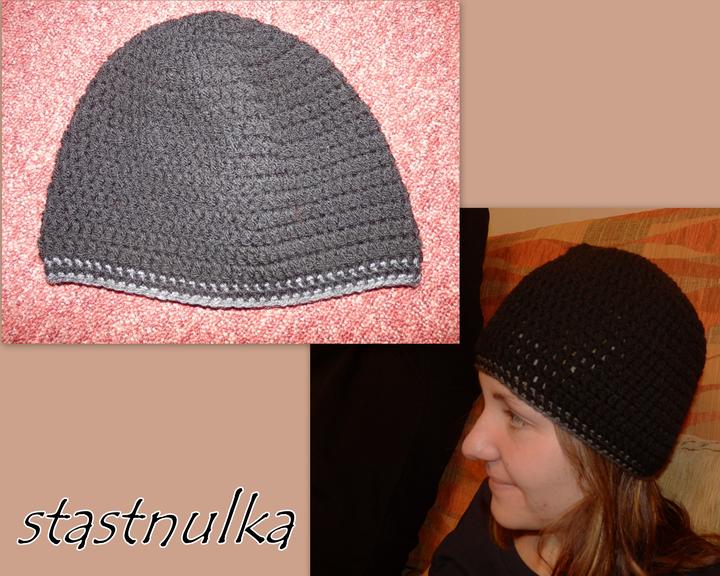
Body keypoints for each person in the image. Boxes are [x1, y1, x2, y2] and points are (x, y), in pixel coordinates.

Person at [429, 244, 720, 576]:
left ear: (611, 448)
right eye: (486, 402)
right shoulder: (498, 501)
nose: (471, 446)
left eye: (516, 417)